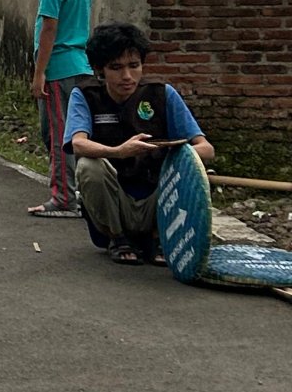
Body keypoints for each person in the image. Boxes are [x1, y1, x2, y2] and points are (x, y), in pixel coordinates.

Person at [63, 23, 215, 264]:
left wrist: (171, 151)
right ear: (99, 69)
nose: (127, 76)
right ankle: (118, 238)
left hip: (157, 200)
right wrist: (119, 152)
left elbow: (206, 149)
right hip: (116, 204)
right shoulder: (85, 95)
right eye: (116, 68)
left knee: (191, 166)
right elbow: (78, 144)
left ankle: (159, 238)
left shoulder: (162, 94)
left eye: (134, 66)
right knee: (88, 166)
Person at [26, 0, 95, 220]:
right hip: (80, 66)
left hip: (58, 69)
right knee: (76, 133)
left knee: (58, 135)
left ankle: (64, 197)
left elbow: (49, 29)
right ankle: (77, 192)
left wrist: (39, 73)